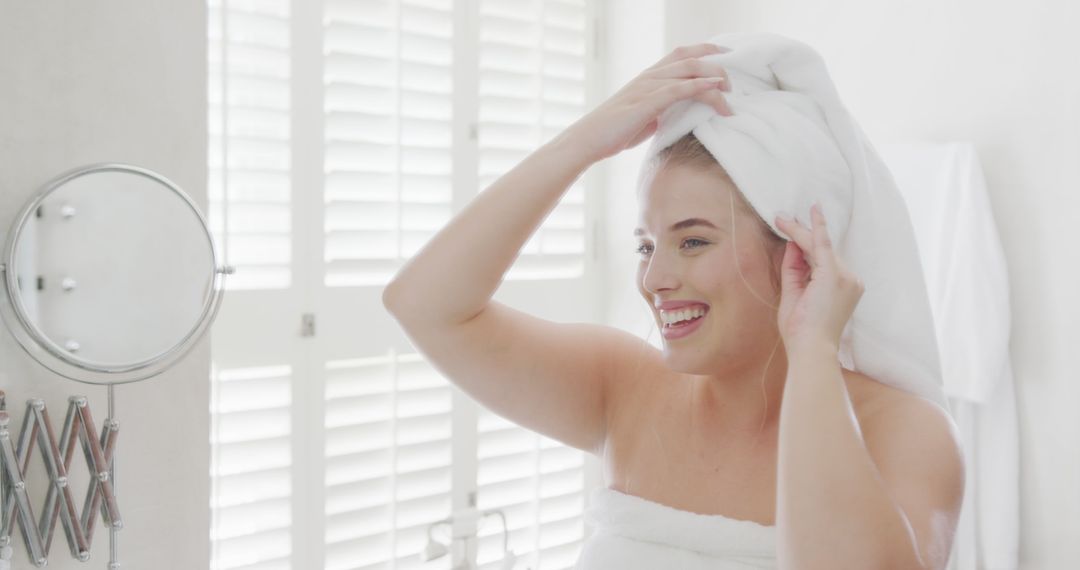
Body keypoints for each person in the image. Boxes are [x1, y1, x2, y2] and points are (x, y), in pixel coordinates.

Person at [383, 41, 962, 570]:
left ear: (800, 259)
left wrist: (813, 351)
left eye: (693, 241)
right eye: (646, 245)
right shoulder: (624, 387)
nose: (654, 278)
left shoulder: (905, 432)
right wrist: (583, 142)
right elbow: (425, 305)